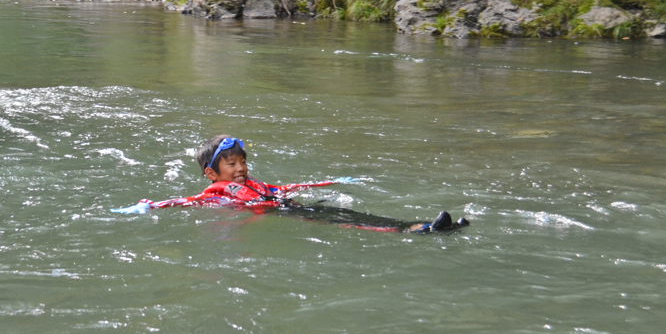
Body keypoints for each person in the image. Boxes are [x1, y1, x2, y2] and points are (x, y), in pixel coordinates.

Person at [113, 135, 470, 234]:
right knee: (343, 221)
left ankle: (419, 226)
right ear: (212, 173)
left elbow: (286, 188)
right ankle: (414, 230)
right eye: (231, 165)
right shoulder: (214, 191)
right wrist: (151, 205)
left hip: (288, 207)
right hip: (282, 218)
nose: (239, 169)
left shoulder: (255, 183)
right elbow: (189, 202)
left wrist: (332, 181)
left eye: (242, 162)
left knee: (344, 211)